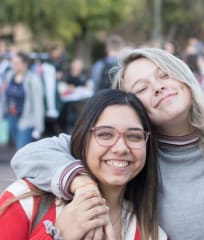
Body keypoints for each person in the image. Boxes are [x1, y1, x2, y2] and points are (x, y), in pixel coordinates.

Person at [11, 47, 204, 240]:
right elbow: (30, 155)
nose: (158, 87)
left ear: (185, 78)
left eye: (164, 75)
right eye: (142, 88)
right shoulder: (133, 154)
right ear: (133, 109)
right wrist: (82, 184)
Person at [0, 89, 167, 239]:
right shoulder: (26, 200)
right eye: (105, 134)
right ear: (82, 139)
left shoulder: (151, 234)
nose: (121, 148)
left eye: (134, 136)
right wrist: (58, 234)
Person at [0, 51, 44, 149]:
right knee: (18, 147)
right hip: (11, 117)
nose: (13, 65)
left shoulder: (33, 79)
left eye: (16, 63)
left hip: (27, 120)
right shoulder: (9, 76)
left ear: (24, 64)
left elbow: (38, 104)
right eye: (12, 62)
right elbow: (4, 97)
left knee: (21, 150)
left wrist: (39, 127)